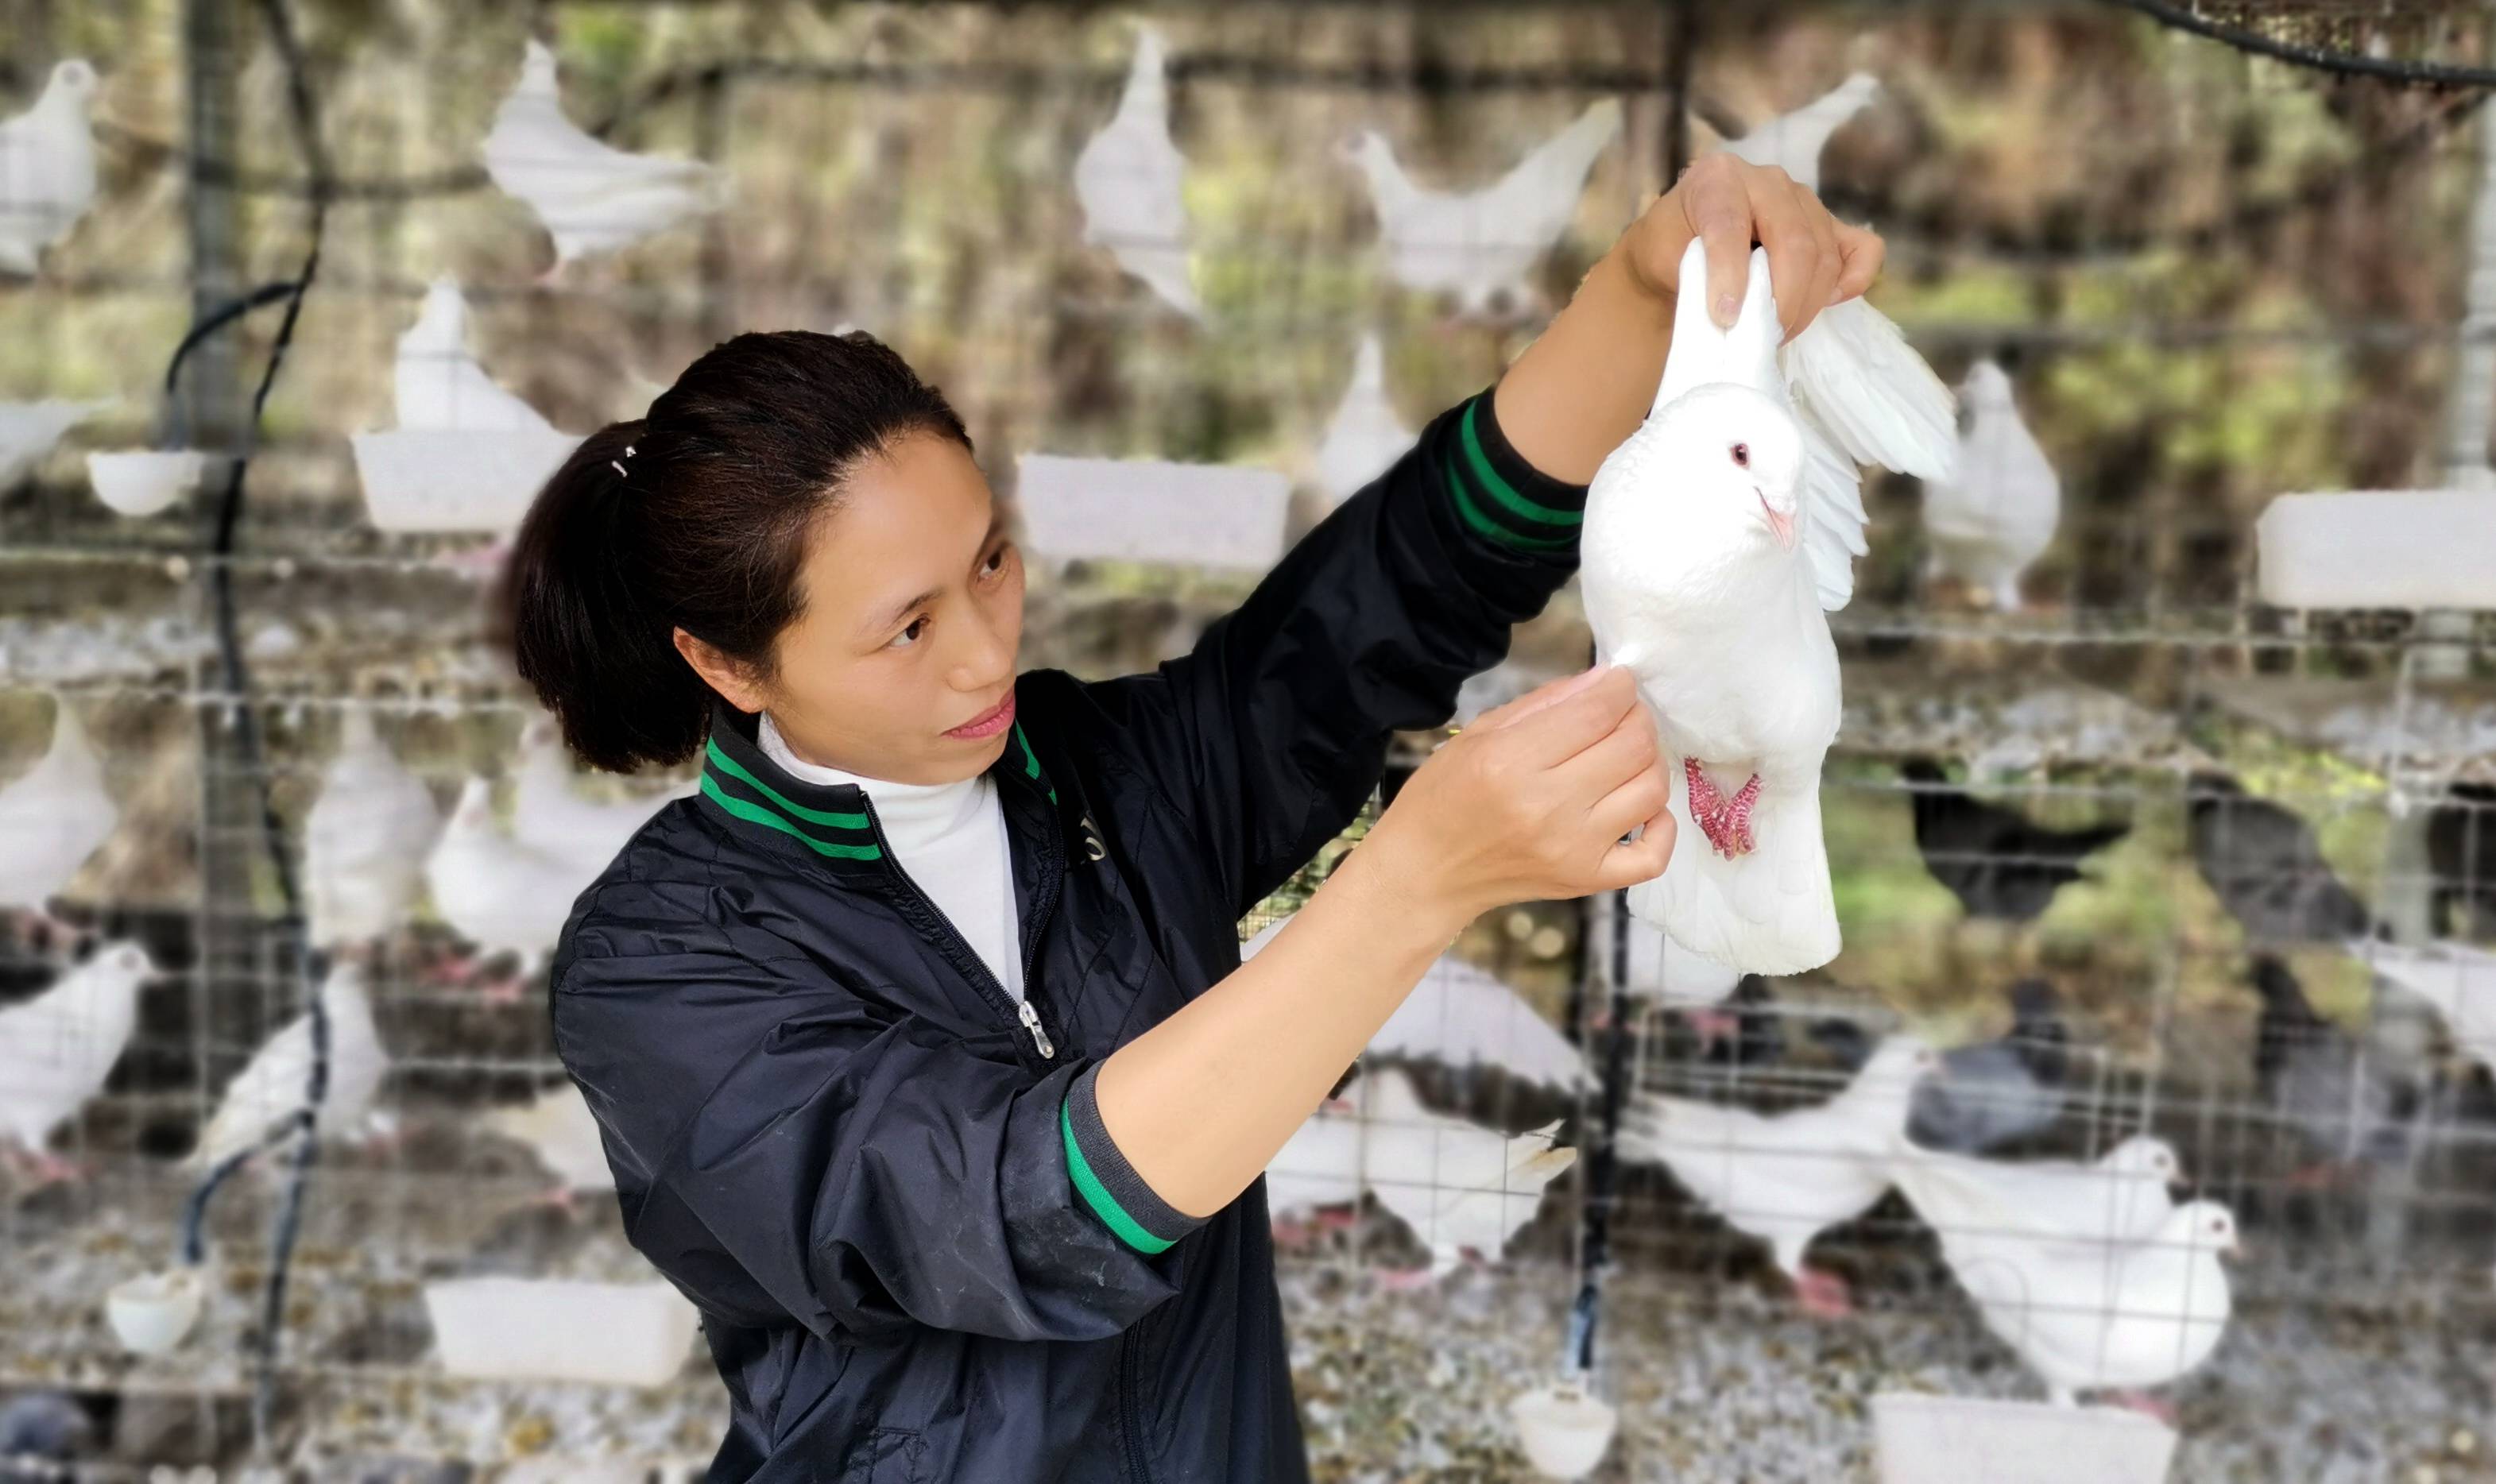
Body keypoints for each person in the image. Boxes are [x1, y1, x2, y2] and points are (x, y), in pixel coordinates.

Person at [495, 153, 1880, 1483]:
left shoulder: (1102, 777)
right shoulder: (662, 965)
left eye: (989, 562)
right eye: (905, 628)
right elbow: (1017, 1216)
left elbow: (1393, 593)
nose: (986, 654)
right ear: (729, 665)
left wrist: (1642, 293)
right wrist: (1412, 884)